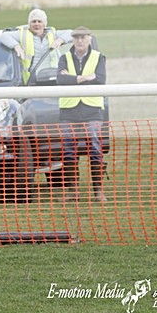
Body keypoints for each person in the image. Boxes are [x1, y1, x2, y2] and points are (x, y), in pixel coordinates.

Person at [56, 26, 108, 202]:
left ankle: (98, 192)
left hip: (92, 110)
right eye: (76, 38)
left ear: (89, 39)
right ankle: (73, 192)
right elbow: (60, 80)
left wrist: (72, 78)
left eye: (82, 37)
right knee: (68, 151)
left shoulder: (99, 57)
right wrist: (84, 78)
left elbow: (100, 79)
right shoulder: (64, 58)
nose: (79, 41)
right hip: (69, 110)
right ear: (72, 40)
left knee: (95, 149)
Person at [0, 8, 71, 84]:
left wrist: (60, 40)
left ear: (44, 24)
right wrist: (16, 46)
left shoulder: (52, 34)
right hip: (31, 80)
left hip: (52, 78)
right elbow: (4, 36)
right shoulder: (23, 34)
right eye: (33, 21)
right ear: (29, 24)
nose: (36, 24)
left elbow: (71, 33)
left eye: (39, 21)